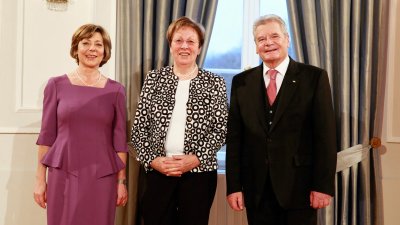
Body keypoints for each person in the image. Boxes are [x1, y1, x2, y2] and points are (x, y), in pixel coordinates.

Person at [225, 14, 337, 225]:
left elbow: (325, 137)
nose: (268, 43)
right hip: (256, 190)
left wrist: (322, 186)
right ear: (256, 46)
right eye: (261, 39)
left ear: (287, 39)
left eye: (274, 36)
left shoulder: (314, 78)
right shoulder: (241, 83)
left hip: (300, 189)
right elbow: (235, 140)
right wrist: (234, 187)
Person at [131, 16, 228, 225]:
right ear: (171, 45)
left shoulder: (215, 82)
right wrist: (154, 161)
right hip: (158, 172)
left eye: (191, 41)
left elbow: (221, 130)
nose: (184, 46)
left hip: (199, 174)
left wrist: (195, 158)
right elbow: (139, 130)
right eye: (178, 40)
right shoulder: (153, 79)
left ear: (200, 48)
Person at [33, 24, 128, 225]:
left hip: (102, 176)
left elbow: (120, 142)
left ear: (105, 51)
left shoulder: (117, 90)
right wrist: (40, 180)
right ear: (76, 49)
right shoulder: (56, 85)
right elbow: (46, 136)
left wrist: (121, 182)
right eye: (86, 43)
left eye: (98, 44)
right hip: (63, 173)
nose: (92, 49)